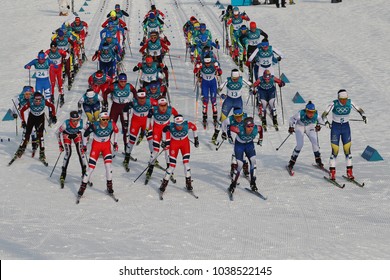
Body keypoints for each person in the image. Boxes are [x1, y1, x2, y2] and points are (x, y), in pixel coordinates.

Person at [321, 89, 367, 180]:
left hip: (346, 128)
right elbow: (324, 114)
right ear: (338, 98)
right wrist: (326, 122)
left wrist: (364, 116)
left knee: (347, 150)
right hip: (335, 128)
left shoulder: (350, 103)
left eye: (345, 99)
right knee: (335, 150)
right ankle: (332, 173)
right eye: (342, 99)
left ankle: (349, 172)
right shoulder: (333, 104)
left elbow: (359, 109)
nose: (344, 101)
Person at [78, 111, 119, 198]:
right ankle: (82, 188)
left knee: (108, 167)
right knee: (91, 169)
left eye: (107, 119)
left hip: (106, 147)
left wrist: (115, 142)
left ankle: (109, 187)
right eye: (103, 119)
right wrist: (84, 145)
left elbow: (116, 131)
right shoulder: (95, 125)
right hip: (96, 147)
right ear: (100, 119)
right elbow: (85, 134)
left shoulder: (111, 124)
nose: (105, 122)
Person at [159, 114, 199, 193]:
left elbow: (194, 128)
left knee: (186, 163)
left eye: (181, 124)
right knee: (172, 166)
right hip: (174, 144)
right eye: (178, 125)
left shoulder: (187, 125)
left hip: (185, 144)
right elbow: (164, 130)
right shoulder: (171, 126)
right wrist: (163, 141)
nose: (179, 127)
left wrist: (196, 139)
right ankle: (164, 184)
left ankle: (188, 183)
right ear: (175, 123)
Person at [211, 69, 252, 144]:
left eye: (236, 78)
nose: (235, 80)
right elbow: (218, 89)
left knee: (240, 119)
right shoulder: (228, 80)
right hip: (228, 101)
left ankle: (243, 137)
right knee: (222, 118)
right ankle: (215, 135)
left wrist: (252, 89)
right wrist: (221, 95)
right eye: (234, 79)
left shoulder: (241, 79)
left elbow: (251, 85)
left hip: (238, 102)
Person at [14, 92, 57, 162]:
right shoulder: (30, 102)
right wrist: (23, 121)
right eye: (36, 100)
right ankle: (21, 148)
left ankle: (42, 152)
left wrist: (54, 115)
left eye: (39, 100)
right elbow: (22, 111)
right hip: (31, 118)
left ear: (41, 99)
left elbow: (52, 106)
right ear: (33, 99)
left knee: (41, 136)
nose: (37, 102)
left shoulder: (44, 102)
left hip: (40, 119)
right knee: (27, 134)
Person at [144, 97, 179, 181]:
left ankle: (169, 169)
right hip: (157, 130)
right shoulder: (153, 110)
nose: (163, 108)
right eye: (161, 106)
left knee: (167, 150)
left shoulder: (171, 110)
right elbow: (148, 118)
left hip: (166, 131)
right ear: (158, 105)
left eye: (165, 105)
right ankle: (150, 169)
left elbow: (177, 118)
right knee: (155, 150)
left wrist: (176, 129)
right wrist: (147, 128)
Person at [103, 73, 137, 152]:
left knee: (125, 128)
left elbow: (135, 92)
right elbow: (105, 93)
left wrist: (134, 102)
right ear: (118, 81)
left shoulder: (129, 86)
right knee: (110, 126)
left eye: (124, 81)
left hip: (125, 108)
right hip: (115, 107)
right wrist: (105, 102)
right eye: (121, 81)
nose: (123, 83)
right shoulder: (114, 86)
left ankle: (126, 149)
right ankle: (106, 148)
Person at [287, 101, 324, 173]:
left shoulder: (317, 115)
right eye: (309, 112)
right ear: (306, 110)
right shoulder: (300, 114)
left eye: (312, 112)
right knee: (300, 144)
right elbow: (292, 119)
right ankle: (291, 162)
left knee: (315, 142)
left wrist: (318, 126)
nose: (311, 114)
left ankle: (318, 160)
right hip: (299, 126)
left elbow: (320, 121)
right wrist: (291, 127)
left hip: (310, 126)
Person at [228, 117, 262, 194]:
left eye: (252, 126)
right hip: (239, 146)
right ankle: (233, 185)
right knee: (240, 165)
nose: (250, 128)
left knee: (253, 162)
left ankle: (253, 183)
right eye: (248, 126)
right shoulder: (238, 129)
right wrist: (229, 136)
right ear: (244, 126)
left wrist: (261, 139)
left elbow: (261, 129)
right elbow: (229, 127)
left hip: (249, 145)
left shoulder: (256, 128)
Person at [122, 90, 155, 171]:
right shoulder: (133, 102)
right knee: (132, 140)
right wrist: (125, 121)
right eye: (140, 98)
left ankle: (153, 157)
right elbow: (125, 109)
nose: (142, 100)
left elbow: (161, 105)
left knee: (150, 139)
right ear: (137, 97)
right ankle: (126, 158)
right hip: (135, 122)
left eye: (143, 98)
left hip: (146, 122)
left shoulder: (149, 101)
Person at [56, 111, 87, 186]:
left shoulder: (81, 123)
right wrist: (60, 144)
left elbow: (87, 132)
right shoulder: (65, 124)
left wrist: (85, 145)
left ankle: (84, 173)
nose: (76, 122)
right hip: (67, 135)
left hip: (76, 134)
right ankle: (63, 174)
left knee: (80, 152)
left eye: (77, 120)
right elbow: (57, 132)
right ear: (70, 119)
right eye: (73, 120)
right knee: (68, 153)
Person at [193, 55, 222, 128]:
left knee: (213, 100)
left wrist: (217, 68)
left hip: (212, 83)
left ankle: (215, 117)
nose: (207, 64)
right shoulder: (202, 64)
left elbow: (220, 72)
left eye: (208, 63)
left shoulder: (213, 64)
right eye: (206, 63)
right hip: (205, 83)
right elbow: (195, 72)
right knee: (205, 100)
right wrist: (197, 67)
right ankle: (204, 117)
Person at [12, 86, 38, 155]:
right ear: (23, 93)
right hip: (24, 113)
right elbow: (14, 107)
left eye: (29, 94)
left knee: (33, 129)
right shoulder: (19, 98)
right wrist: (14, 113)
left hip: (32, 111)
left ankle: (34, 142)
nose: (28, 96)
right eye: (26, 94)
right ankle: (23, 146)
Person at [44, 41, 69, 106]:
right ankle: (52, 96)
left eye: (54, 48)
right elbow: (43, 56)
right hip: (52, 69)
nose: (53, 49)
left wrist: (65, 59)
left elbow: (67, 55)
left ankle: (62, 96)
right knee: (52, 83)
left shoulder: (60, 51)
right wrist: (41, 54)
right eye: (52, 48)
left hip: (59, 69)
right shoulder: (48, 51)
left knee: (60, 83)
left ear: (56, 47)